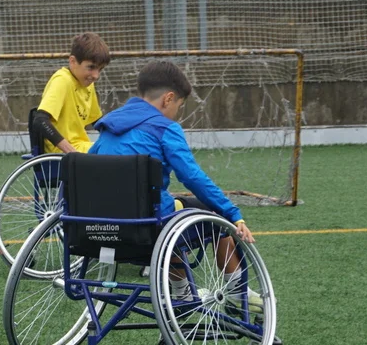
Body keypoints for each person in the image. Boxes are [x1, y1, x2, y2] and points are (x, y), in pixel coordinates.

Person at [88, 60, 271, 325]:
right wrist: (233, 213)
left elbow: (88, 169)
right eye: (179, 106)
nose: (177, 113)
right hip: (148, 227)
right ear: (168, 99)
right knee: (212, 215)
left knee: (170, 212)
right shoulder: (164, 128)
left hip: (99, 229)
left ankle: (183, 292)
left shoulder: (108, 127)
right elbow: (192, 177)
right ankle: (234, 293)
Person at [30, 32, 111, 155]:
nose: (96, 75)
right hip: (62, 154)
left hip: (81, 146)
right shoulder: (62, 80)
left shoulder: (87, 84)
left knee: (122, 148)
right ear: (73, 61)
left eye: (100, 69)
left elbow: (97, 121)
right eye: (91, 67)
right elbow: (40, 120)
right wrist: (71, 152)